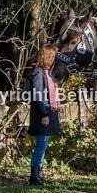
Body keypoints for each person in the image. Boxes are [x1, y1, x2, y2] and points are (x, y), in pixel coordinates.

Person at [28, 44, 61, 185]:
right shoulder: (38, 73)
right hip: (42, 112)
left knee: (44, 144)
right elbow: (38, 95)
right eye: (54, 56)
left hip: (49, 110)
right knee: (41, 144)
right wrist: (44, 114)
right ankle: (34, 176)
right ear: (49, 57)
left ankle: (40, 173)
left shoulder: (50, 74)